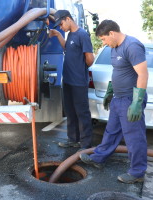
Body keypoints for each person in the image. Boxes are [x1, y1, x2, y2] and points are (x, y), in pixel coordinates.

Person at [79, 19, 149, 184]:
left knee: (134, 137)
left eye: (103, 39)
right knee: (111, 131)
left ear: (112, 33)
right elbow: (118, 70)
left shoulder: (132, 46)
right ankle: (99, 158)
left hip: (130, 99)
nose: (103, 42)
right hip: (118, 98)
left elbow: (143, 74)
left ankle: (137, 172)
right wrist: (110, 91)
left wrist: (137, 102)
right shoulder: (113, 47)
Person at [49, 10, 94, 150]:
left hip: (79, 82)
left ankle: (86, 145)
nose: (61, 27)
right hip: (67, 80)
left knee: (82, 113)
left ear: (68, 19)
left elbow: (90, 59)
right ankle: (73, 139)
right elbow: (66, 48)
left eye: (61, 24)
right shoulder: (70, 35)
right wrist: (57, 34)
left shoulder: (82, 35)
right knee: (70, 112)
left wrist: (79, 69)